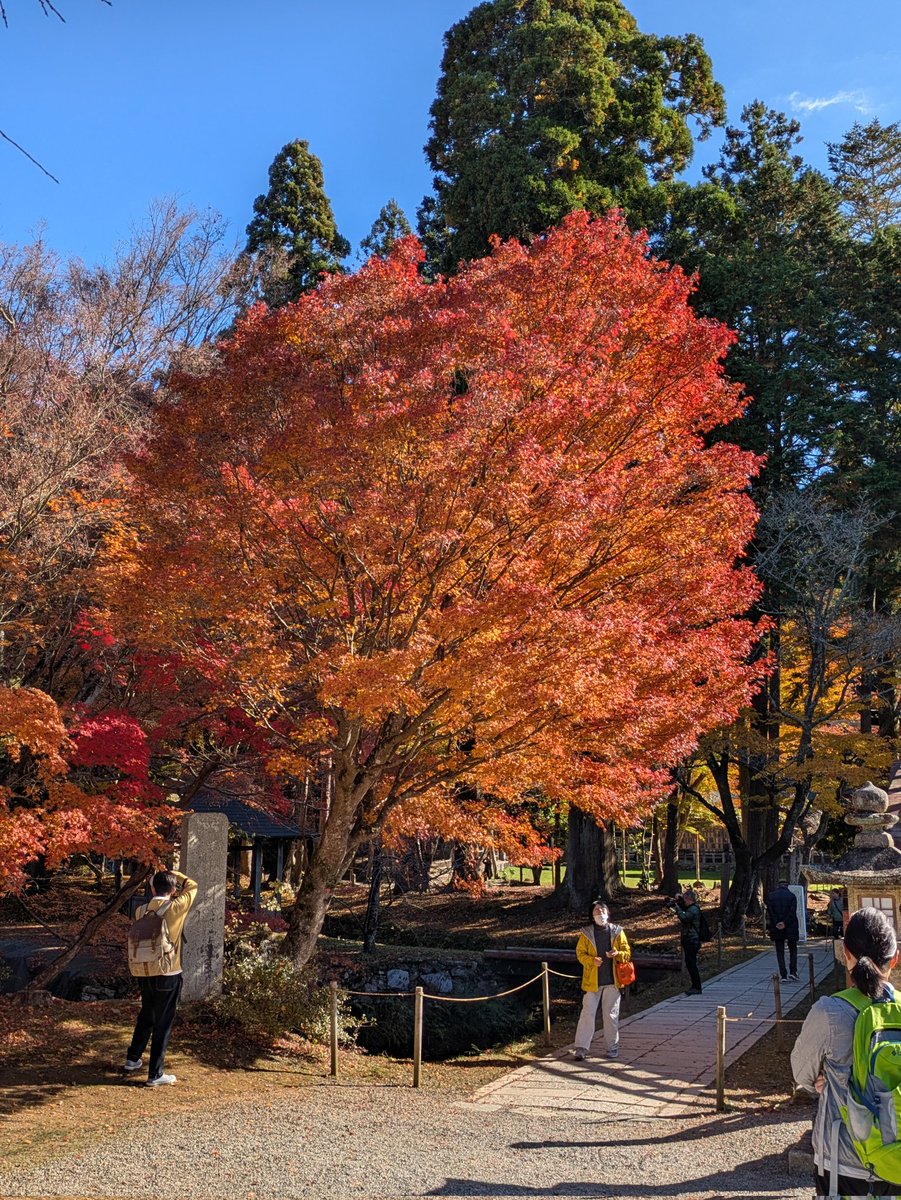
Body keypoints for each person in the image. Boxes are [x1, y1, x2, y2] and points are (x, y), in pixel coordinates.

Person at [791, 906, 900, 1196]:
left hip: (843, 1163)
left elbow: (802, 1075)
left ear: (845, 953)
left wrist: (825, 1080)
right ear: (896, 959)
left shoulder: (829, 1012)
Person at [125, 867, 198, 1086]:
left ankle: (132, 1058)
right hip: (168, 971)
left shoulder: (141, 910)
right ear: (173, 889)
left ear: (152, 887)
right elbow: (193, 885)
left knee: (147, 1014)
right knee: (163, 1022)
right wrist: (177, 873)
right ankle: (155, 1074)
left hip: (143, 970)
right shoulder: (175, 907)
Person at [572, 899, 631, 1061]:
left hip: (613, 982)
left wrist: (617, 954)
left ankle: (613, 1047)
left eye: (603, 910)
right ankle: (582, 1048)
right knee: (587, 1014)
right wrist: (592, 961)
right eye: (597, 910)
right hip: (592, 982)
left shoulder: (618, 931)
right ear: (592, 915)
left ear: (608, 913)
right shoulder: (586, 933)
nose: (600, 912)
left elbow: (627, 953)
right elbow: (580, 954)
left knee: (611, 1015)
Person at [766, 879, 800, 981]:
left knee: (780, 951)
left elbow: (771, 912)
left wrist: (778, 922)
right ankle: (793, 972)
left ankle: (783, 974)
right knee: (793, 949)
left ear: (778, 885)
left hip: (777, 927)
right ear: (787, 886)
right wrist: (785, 923)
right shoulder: (792, 896)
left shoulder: (771, 896)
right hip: (790, 926)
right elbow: (792, 912)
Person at [671, 888, 703, 995]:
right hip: (689, 939)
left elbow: (684, 918)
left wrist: (677, 909)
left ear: (690, 899)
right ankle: (695, 986)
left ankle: (697, 987)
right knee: (690, 964)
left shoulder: (693, 909)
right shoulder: (691, 908)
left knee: (692, 964)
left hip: (692, 940)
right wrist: (679, 900)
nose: (684, 901)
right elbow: (684, 908)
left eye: (685, 899)